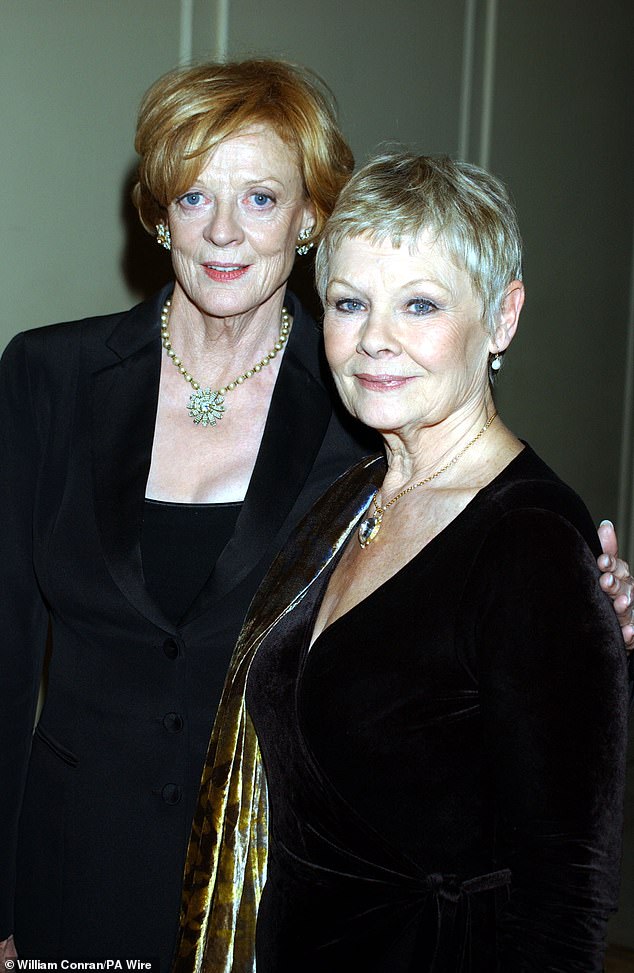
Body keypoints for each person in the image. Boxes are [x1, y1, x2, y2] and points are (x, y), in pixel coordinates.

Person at [175, 154, 630, 972]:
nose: (374, 340)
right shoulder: (349, 497)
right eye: (351, 304)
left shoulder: (527, 541)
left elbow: (568, 893)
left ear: (502, 317)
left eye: (420, 304)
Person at [0, 59, 377, 967]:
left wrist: (591, 598)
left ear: (311, 216)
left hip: (271, 886)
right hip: (70, 873)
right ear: (159, 209)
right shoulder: (49, 379)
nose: (221, 232)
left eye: (259, 198)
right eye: (195, 195)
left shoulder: (362, 406)